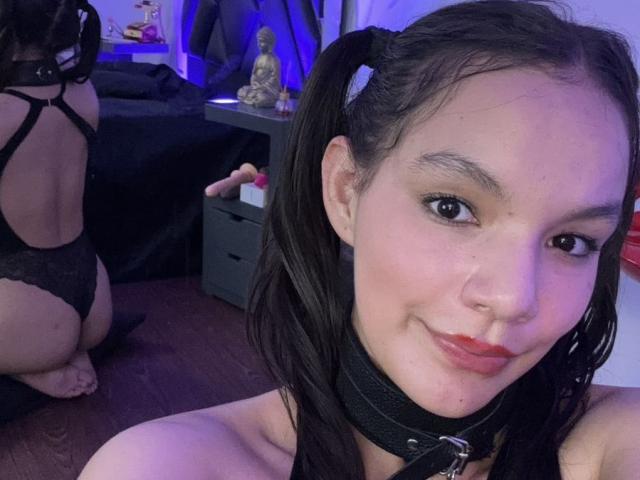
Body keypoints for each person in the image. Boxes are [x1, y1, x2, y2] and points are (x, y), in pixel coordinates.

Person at [80, 1, 640, 478]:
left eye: (571, 242)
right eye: (452, 207)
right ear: (346, 191)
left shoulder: (615, 440)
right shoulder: (168, 466)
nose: (514, 298)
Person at [0, 0, 112, 399]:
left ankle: (31, 366)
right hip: (94, 302)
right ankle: (62, 350)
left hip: (29, 309)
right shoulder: (85, 94)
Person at [237, 26, 282, 108]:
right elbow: (253, 74)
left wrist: (263, 87)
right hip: (256, 88)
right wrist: (254, 83)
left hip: (268, 90)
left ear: (269, 43)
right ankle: (253, 99)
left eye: (262, 42)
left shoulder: (274, 60)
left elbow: (275, 78)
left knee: (262, 98)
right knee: (241, 91)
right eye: (258, 41)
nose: (259, 44)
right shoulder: (258, 58)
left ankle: (258, 100)